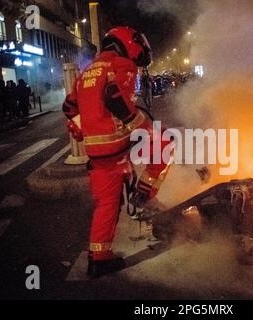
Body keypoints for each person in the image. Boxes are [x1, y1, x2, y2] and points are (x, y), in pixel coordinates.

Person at [63, 26, 173, 278]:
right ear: (130, 43)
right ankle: (144, 195)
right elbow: (114, 97)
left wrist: (84, 130)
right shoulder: (121, 64)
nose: (137, 60)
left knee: (107, 204)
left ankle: (98, 258)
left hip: (97, 151)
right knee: (165, 142)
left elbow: (68, 107)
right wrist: (139, 124)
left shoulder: (87, 71)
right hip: (114, 144)